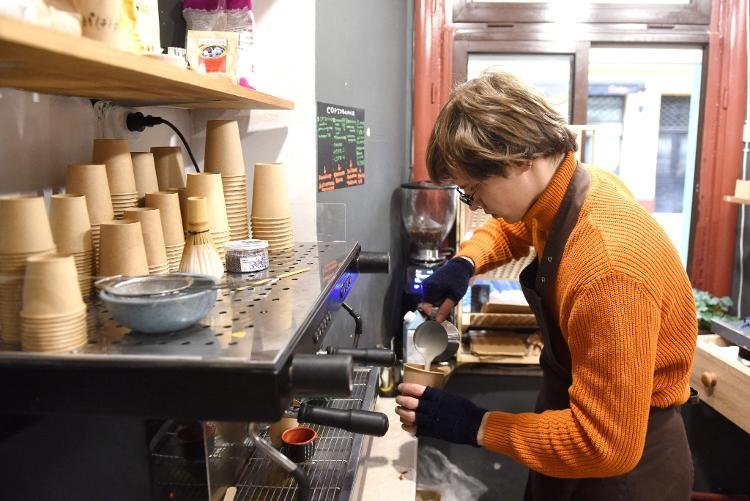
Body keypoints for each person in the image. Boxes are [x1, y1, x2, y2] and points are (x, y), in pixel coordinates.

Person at [395, 71, 697, 500]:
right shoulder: (574, 186)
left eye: (474, 190)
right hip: (567, 431)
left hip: (624, 470)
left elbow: (605, 445)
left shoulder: (609, 269)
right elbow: (515, 229)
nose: (477, 205)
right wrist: (466, 261)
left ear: (521, 159)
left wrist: (478, 425)